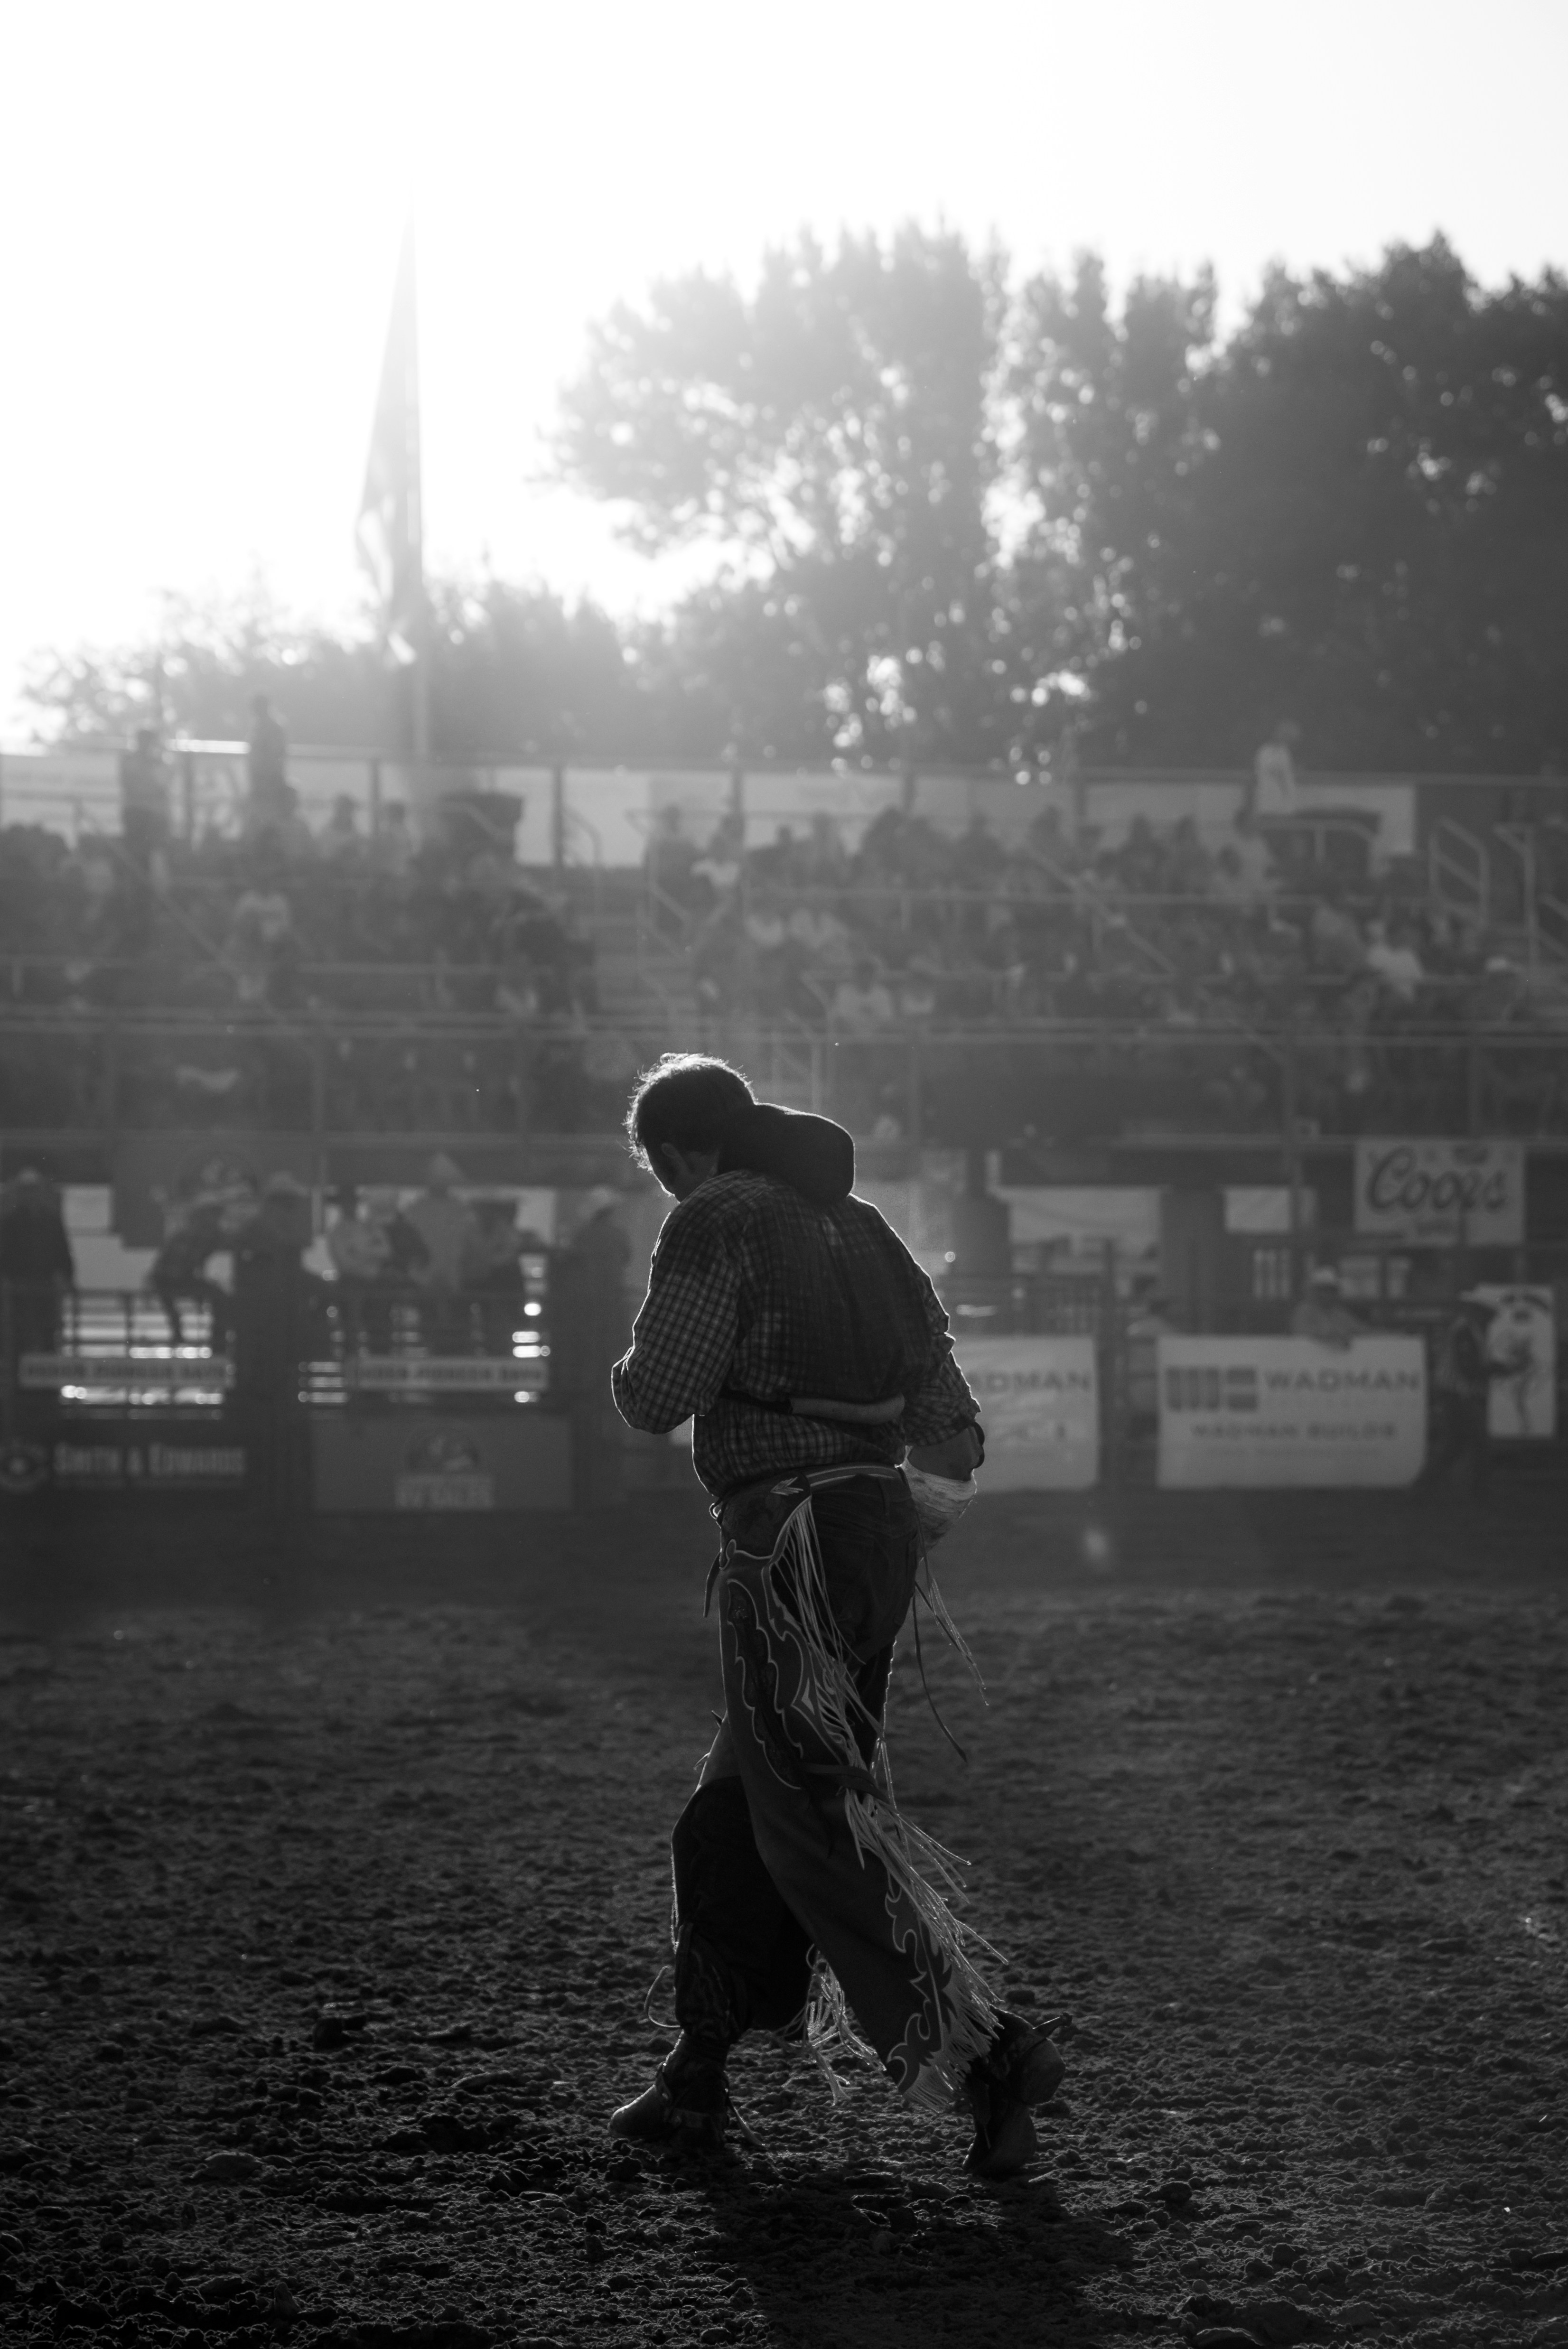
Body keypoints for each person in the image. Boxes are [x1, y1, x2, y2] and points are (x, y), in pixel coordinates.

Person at [606, 1053, 1064, 2179]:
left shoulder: (713, 1221)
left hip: (783, 1553)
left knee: (810, 1823)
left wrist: (642, 1372)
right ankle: (696, 2076)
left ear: (676, 1155)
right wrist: (896, 1543)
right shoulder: (869, 1232)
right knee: (731, 1813)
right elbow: (953, 1435)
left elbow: (655, 1397)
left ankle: (989, 2051)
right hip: (871, 1544)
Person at [1424, 1291, 1504, 1497]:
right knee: (1478, 1441)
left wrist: (1494, 1369)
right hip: (1457, 1392)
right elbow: (1468, 1368)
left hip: (1456, 1392)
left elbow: (1470, 1365)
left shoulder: (1470, 1329)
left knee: (1456, 1444)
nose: (1494, 1317)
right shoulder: (1466, 1331)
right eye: (1490, 1312)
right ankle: (1480, 1489)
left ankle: (1425, 1487)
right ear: (1481, 1312)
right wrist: (1496, 1369)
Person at [1289, 1266, 1364, 1348]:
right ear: (1314, 1291)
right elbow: (1301, 1332)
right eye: (1324, 1290)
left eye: (1332, 1290)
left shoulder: (1339, 1313)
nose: (1328, 1294)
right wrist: (1328, 1335)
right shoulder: (1304, 1311)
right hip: (1308, 1358)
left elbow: (1362, 1331)